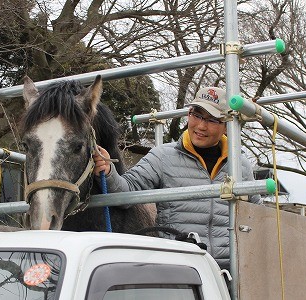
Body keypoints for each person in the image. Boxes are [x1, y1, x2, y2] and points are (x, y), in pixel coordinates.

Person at [93, 87, 262, 270]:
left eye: (212, 120)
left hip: (229, 272)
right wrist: (109, 172)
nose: (201, 126)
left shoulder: (240, 165)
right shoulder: (162, 157)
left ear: (226, 125)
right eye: (196, 115)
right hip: (178, 269)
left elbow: (257, 217)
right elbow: (126, 193)